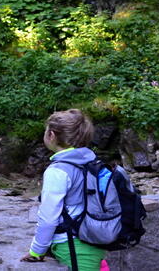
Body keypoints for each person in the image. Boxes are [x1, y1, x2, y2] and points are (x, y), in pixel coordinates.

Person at [19, 109, 108, 270]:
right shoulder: (91, 160)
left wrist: (37, 251)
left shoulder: (58, 171)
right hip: (96, 239)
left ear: (51, 135)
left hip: (73, 246)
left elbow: (48, 218)